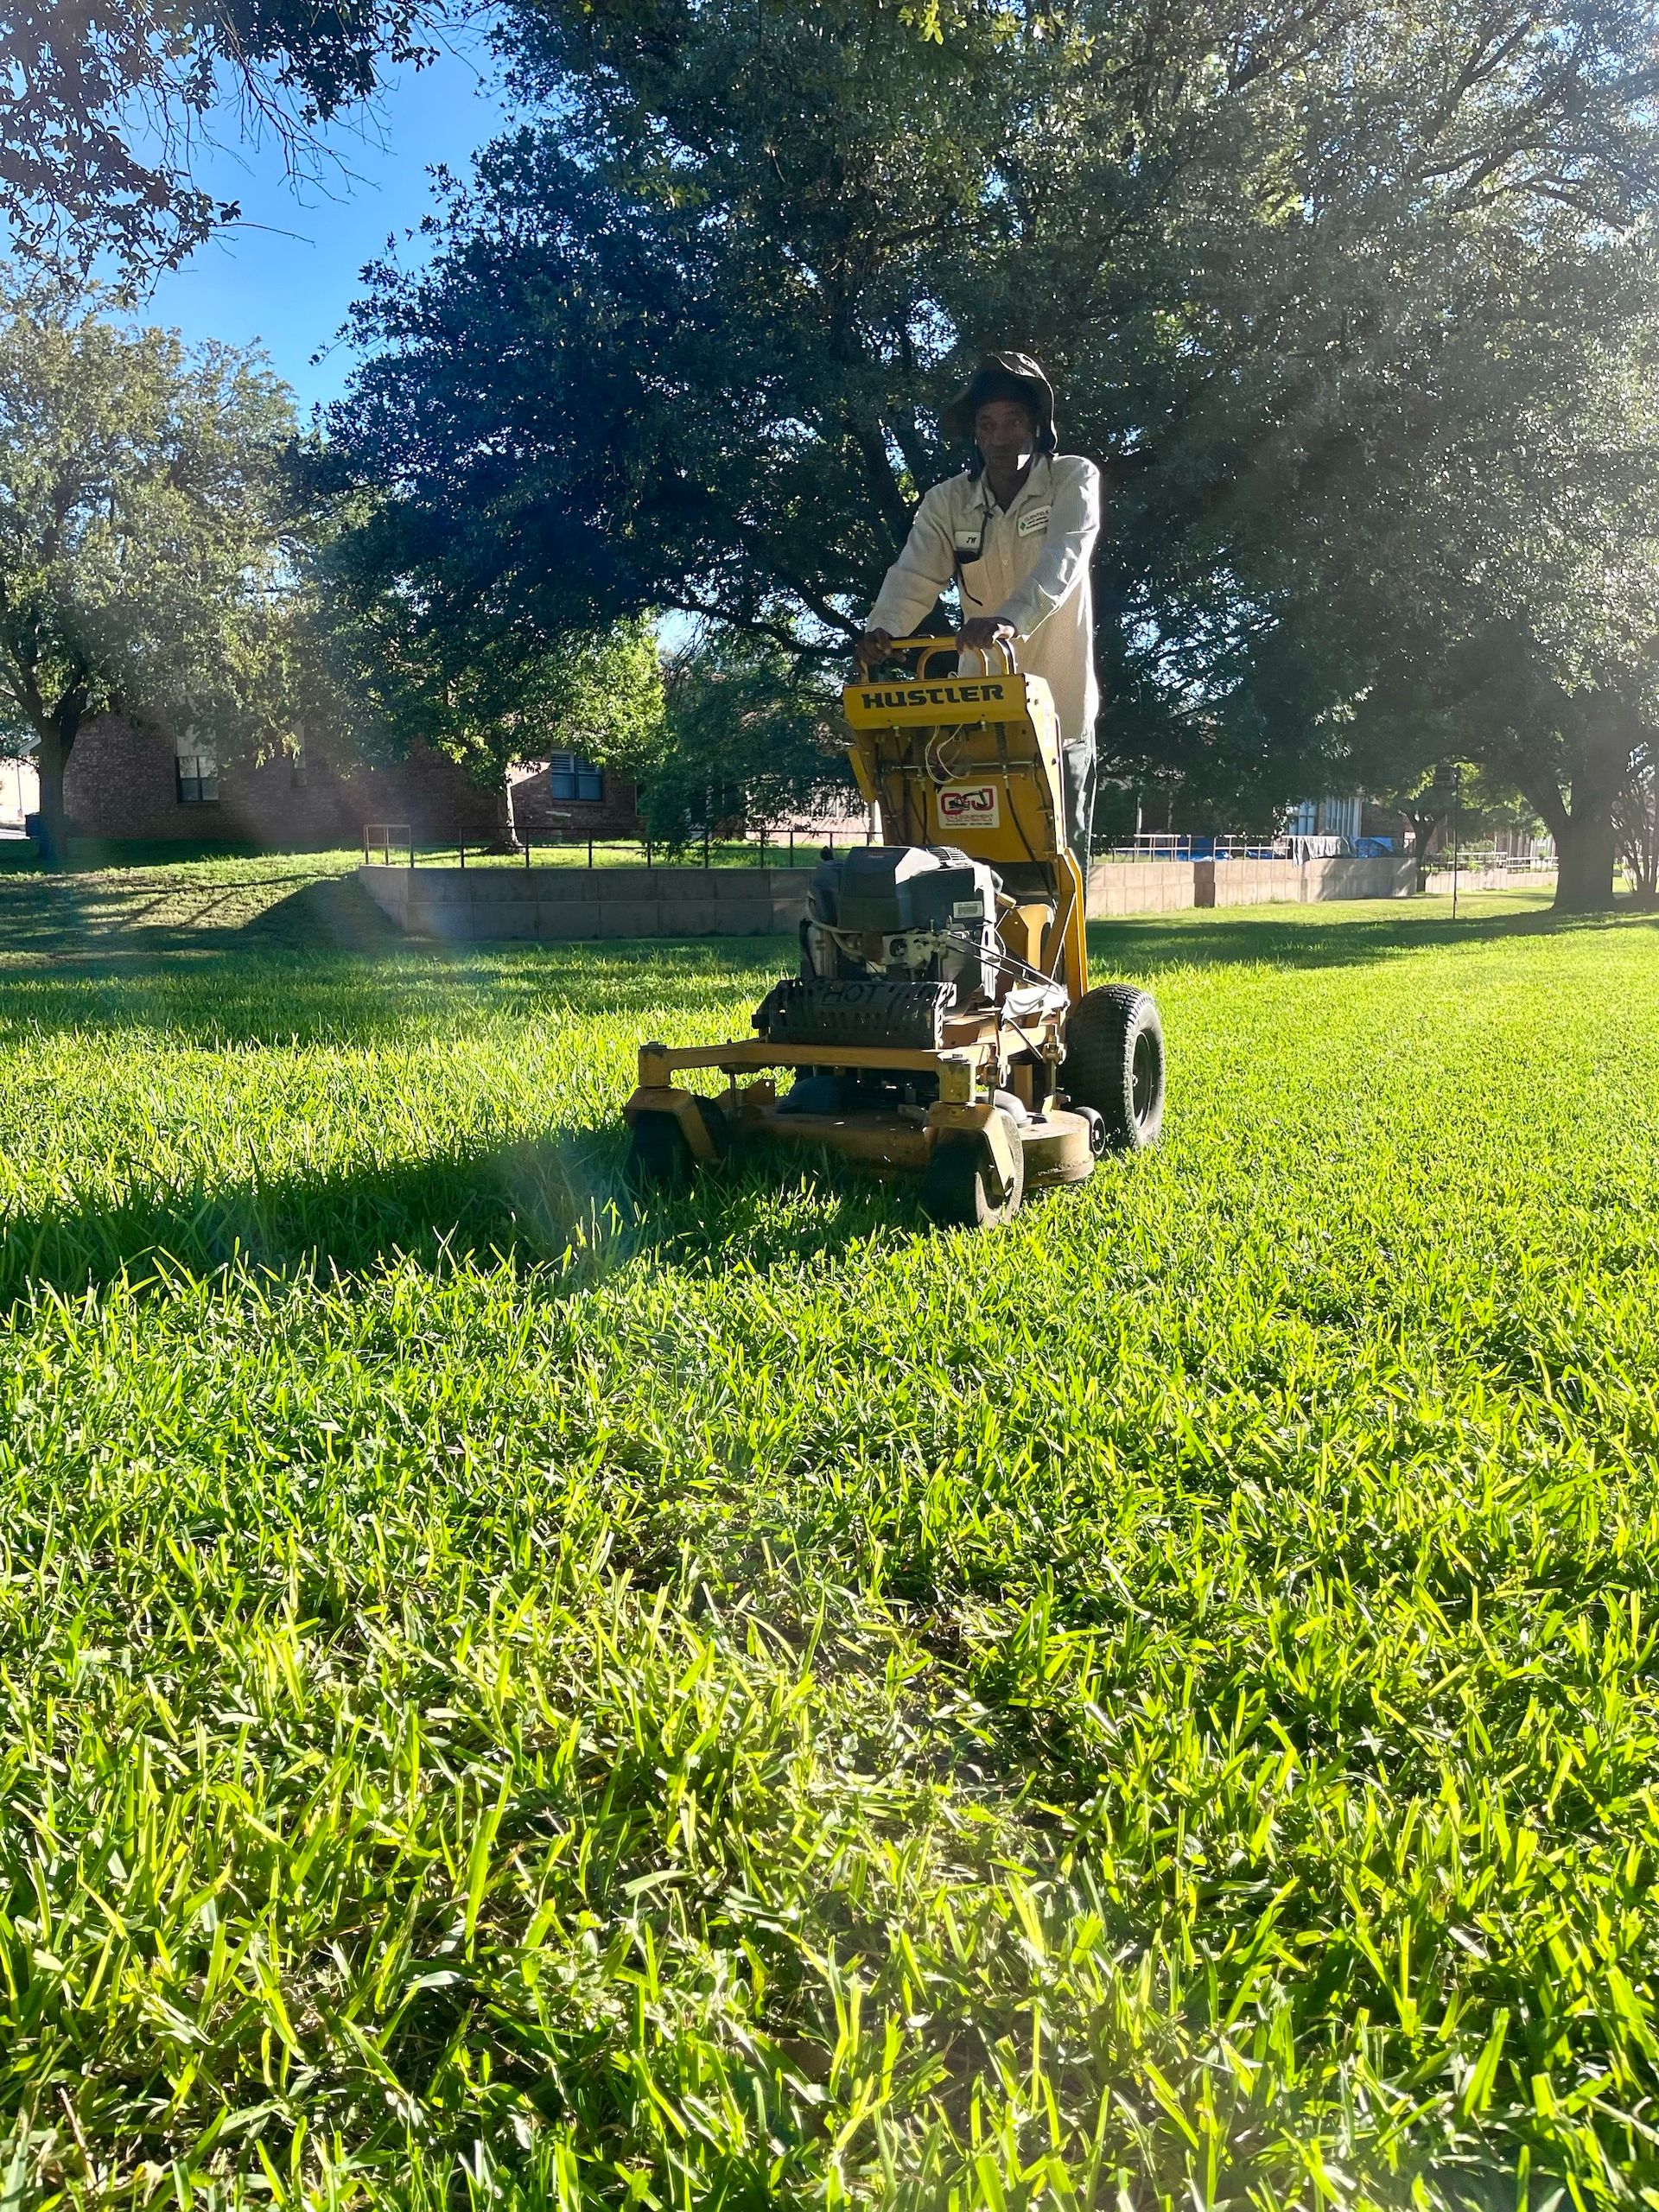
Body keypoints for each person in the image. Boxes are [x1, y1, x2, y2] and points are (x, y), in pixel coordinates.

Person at [855, 352, 1101, 868]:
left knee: (1059, 865)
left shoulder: (1071, 479)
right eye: (987, 425)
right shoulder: (947, 502)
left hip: (1063, 711)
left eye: (1013, 420)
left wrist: (1010, 618)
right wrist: (882, 629)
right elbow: (915, 575)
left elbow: (1066, 557)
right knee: (975, 856)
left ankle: (1059, 949)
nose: (1001, 436)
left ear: (1037, 425)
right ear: (975, 435)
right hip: (980, 707)